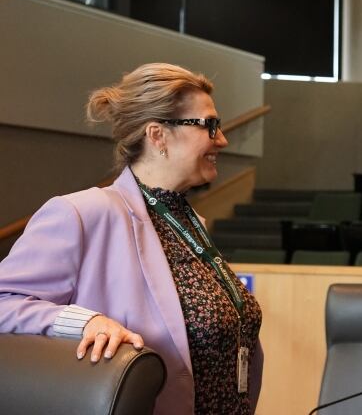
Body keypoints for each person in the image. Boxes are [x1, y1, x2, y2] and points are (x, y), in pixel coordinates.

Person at [0, 63, 263, 414]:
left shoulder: (187, 223)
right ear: (158, 135)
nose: (222, 139)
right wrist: (85, 322)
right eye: (209, 125)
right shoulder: (83, 213)